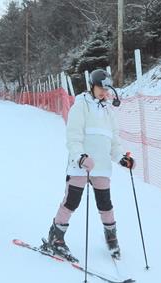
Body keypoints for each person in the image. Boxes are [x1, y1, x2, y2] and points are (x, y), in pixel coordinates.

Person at [42, 68, 135, 262]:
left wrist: (121, 158)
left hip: (101, 167)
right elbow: (73, 136)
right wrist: (80, 157)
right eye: (101, 88)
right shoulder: (80, 105)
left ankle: (111, 237)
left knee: (105, 204)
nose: (104, 92)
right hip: (81, 165)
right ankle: (56, 237)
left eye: (107, 89)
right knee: (71, 202)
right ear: (92, 86)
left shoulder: (109, 111)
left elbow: (114, 142)